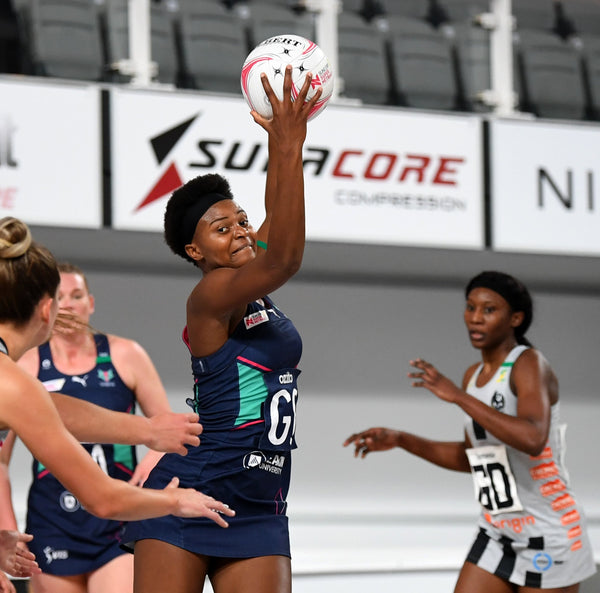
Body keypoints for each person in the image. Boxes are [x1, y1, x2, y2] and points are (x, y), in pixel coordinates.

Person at [122, 65, 320, 593]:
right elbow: (284, 259)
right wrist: (289, 144)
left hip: (259, 502)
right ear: (195, 250)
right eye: (221, 228)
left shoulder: (253, 284)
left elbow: (278, 215)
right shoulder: (210, 297)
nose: (240, 232)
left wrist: (281, 138)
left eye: (242, 221)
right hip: (190, 488)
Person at [0, 217, 235, 568]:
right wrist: (175, 500)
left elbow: (52, 408)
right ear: (48, 310)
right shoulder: (14, 383)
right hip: (61, 523)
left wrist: (149, 430)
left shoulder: (15, 383)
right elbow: (103, 499)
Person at [344, 271, 597, 592]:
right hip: (498, 528)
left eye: (489, 310)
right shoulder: (473, 375)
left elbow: (533, 438)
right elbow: (472, 458)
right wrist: (401, 439)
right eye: (470, 307)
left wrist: (458, 396)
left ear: (515, 318)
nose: (475, 318)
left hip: (549, 532)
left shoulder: (529, 363)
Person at [0, 262, 178, 593]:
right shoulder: (24, 367)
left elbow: (165, 430)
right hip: (54, 521)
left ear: (91, 302)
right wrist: (8, 533)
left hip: (116, 519)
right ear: (46, 309)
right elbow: (3, 457)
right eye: (60, 297)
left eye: (77, 296)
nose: (68, 306)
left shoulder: (125, 354)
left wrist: (152, 462)